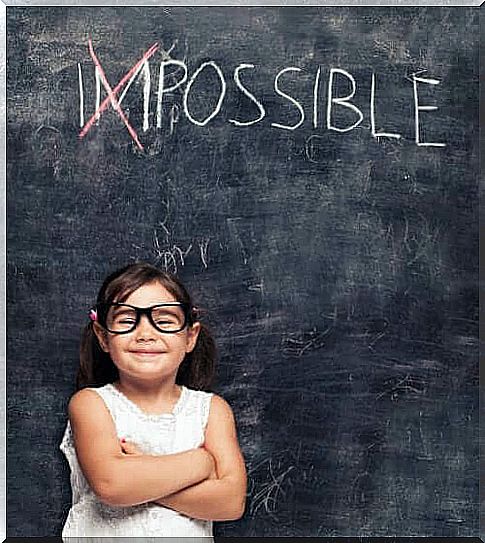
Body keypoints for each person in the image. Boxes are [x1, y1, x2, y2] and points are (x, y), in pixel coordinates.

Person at [59, 262, 247, 538]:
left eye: (164, 321)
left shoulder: (211, 411)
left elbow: (230, 502)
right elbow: (113, 484)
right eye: (126, 320)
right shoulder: (91, 404)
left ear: (190, 337)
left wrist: (144, 472)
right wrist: (201, 463)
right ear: (103, 336)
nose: (146, 334)